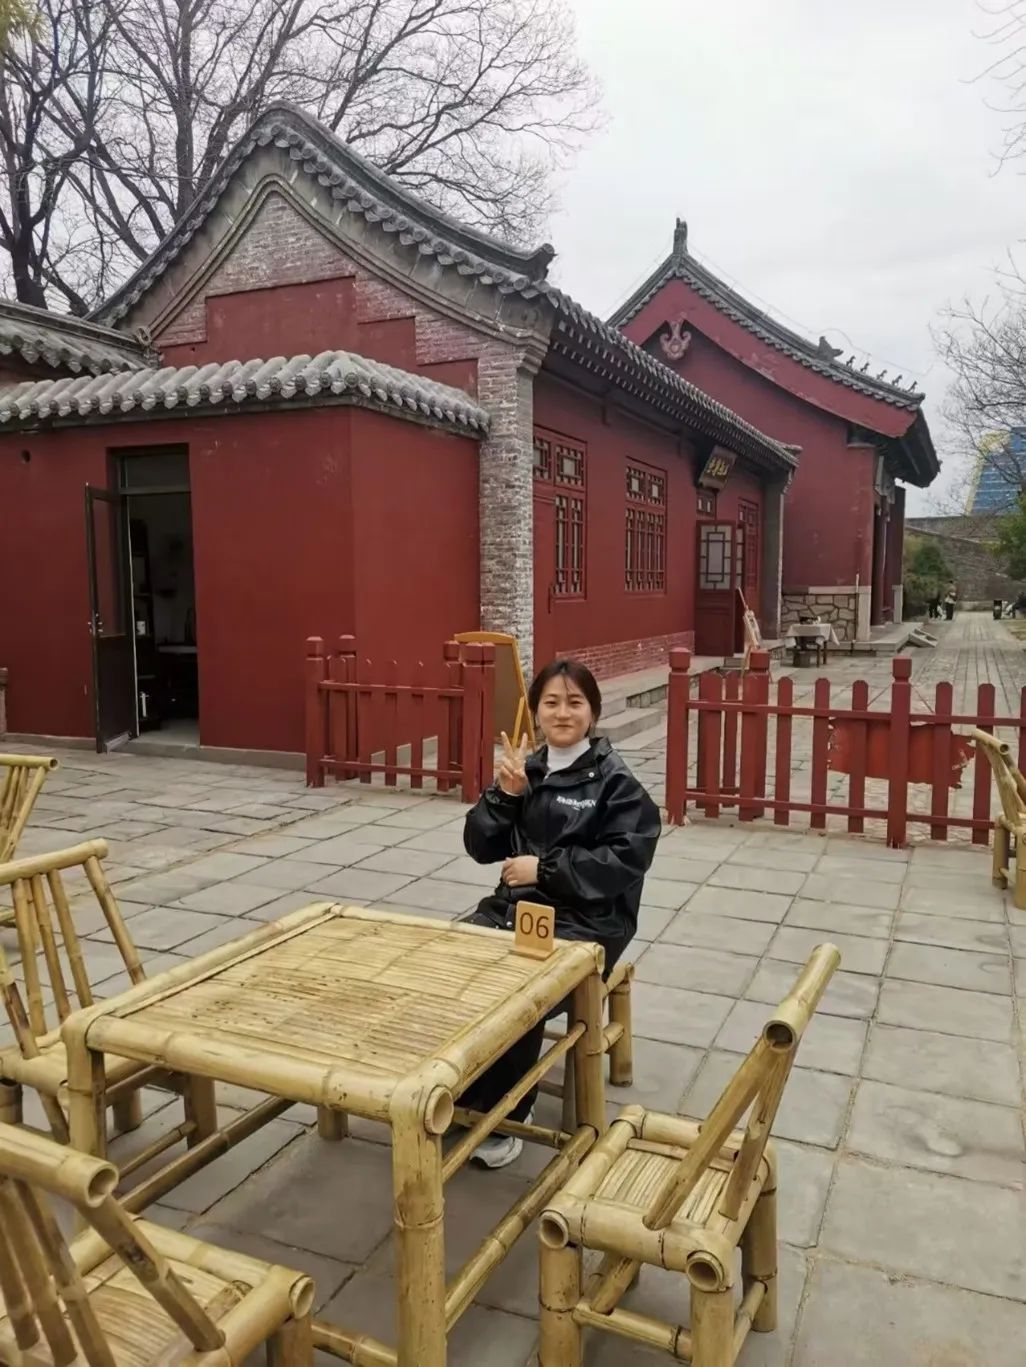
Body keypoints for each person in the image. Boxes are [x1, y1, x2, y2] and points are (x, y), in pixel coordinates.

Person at [461, 658, 661, 1169]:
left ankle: (507, 1112)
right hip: (518, 911)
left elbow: (624, 861)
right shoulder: (525, 771)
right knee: (452, 963)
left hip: (588, 922)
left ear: (593, 712)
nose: (563, 713)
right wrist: (503, 797)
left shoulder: (616, 783)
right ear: (536, 711)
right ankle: (459, 1090)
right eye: (551, 702)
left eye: (575, 702)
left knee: (521, 989)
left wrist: (545, 870)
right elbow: (480, 846)